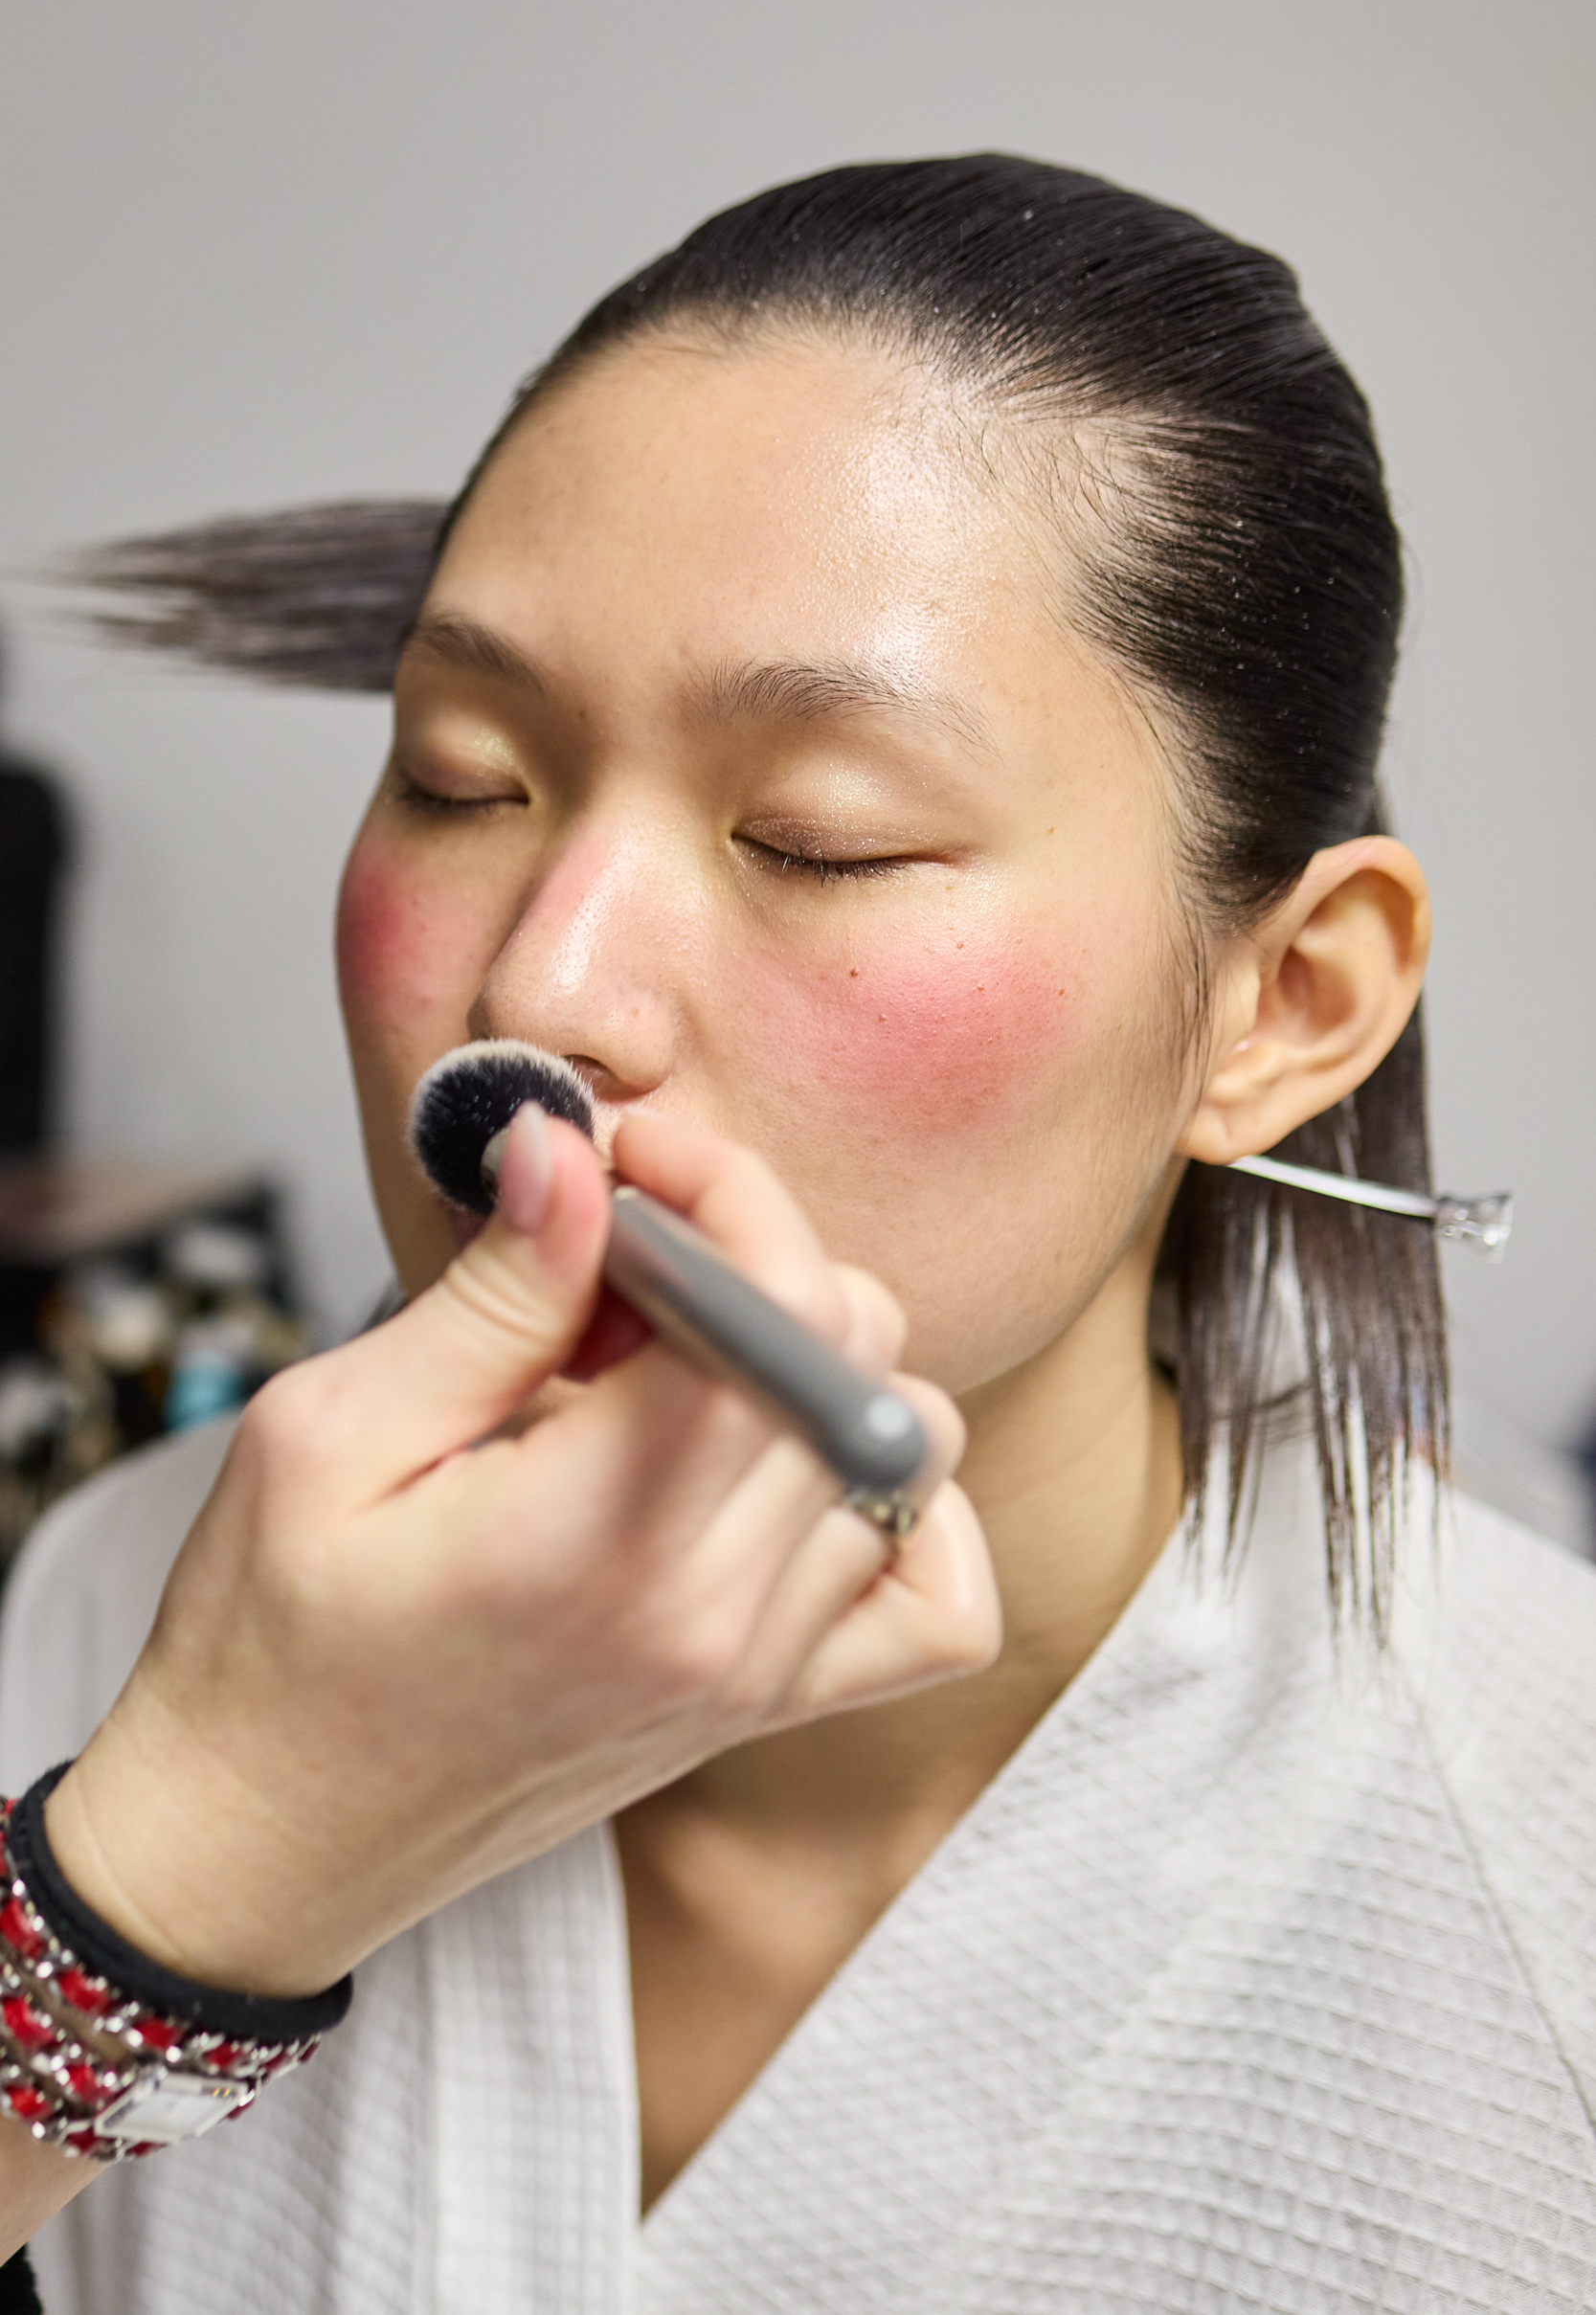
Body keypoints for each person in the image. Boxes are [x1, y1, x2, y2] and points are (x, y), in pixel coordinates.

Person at [3, 155, 1593, 2312]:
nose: (544, 991)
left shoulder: (1546, 1863)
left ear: (1283, 1002)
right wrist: (178, 1872)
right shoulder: (111, 1613)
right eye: (466, 778)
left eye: (817, 838)